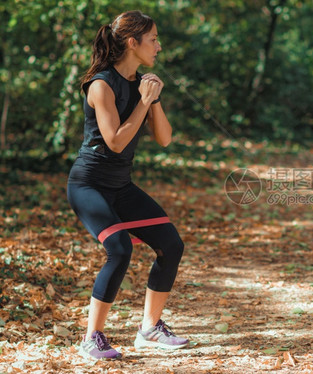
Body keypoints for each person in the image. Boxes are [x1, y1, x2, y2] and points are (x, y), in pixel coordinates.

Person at [67, 10, 189, 359]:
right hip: (88, 185)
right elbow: (116, 141)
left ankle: (149, 328)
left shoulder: (142, 84)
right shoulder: (101, 85)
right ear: (132, 43)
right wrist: (144, 101)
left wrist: (153, 99)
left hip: (121, 186)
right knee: (120, 249)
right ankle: (92, 337)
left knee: (171, 244)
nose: (159, 47)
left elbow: (164, 138)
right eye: (153, 40)